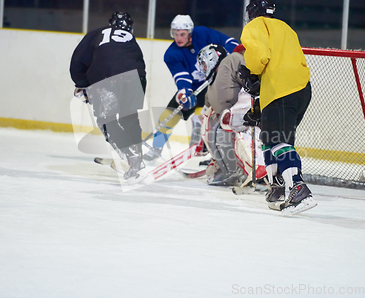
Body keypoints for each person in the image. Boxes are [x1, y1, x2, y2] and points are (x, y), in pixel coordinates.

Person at [239, 0, 316, 214]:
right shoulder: (286, 28)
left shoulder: (255, 26)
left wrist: (251, 74)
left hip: (281, 89)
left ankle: (298, 189)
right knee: (271, 138)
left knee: (278, 141)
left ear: (252, 13)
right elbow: (279, 63)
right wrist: (259, 107)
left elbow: (261, 56)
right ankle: (278, 188)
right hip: (301, 89)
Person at [142, 15, 240, 161]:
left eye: (182, 34)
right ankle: (156, 149)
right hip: (194, 89)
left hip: (214, 85)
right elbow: (181, 77)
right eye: (175, 34)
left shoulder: (202, 34)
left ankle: (211, 152)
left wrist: (233, 52)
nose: (178, 38)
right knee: (166, 117)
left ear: (190, 33)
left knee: (203, 117)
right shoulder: (172, 54)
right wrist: (184, 93)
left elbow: (228, 41)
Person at [70, 12, 147, 181]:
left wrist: (82, 84)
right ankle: (136, 155)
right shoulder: (131, 39)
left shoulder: (98, 33)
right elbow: (140, 64)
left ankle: (127, 155)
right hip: (136, 77)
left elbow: (77, 60)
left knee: (107, 119)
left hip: (106, 78)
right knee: (130, 117)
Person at [199, 44, 266, 186]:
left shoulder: (231, 60)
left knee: (235, 131)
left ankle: (259, 169)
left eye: (204, 64)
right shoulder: (212, 84)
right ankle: (231, 169)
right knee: (215, 130)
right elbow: (208, 108)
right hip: (232, 119)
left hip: (250, 114)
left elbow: (250, 81)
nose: (204, 69)